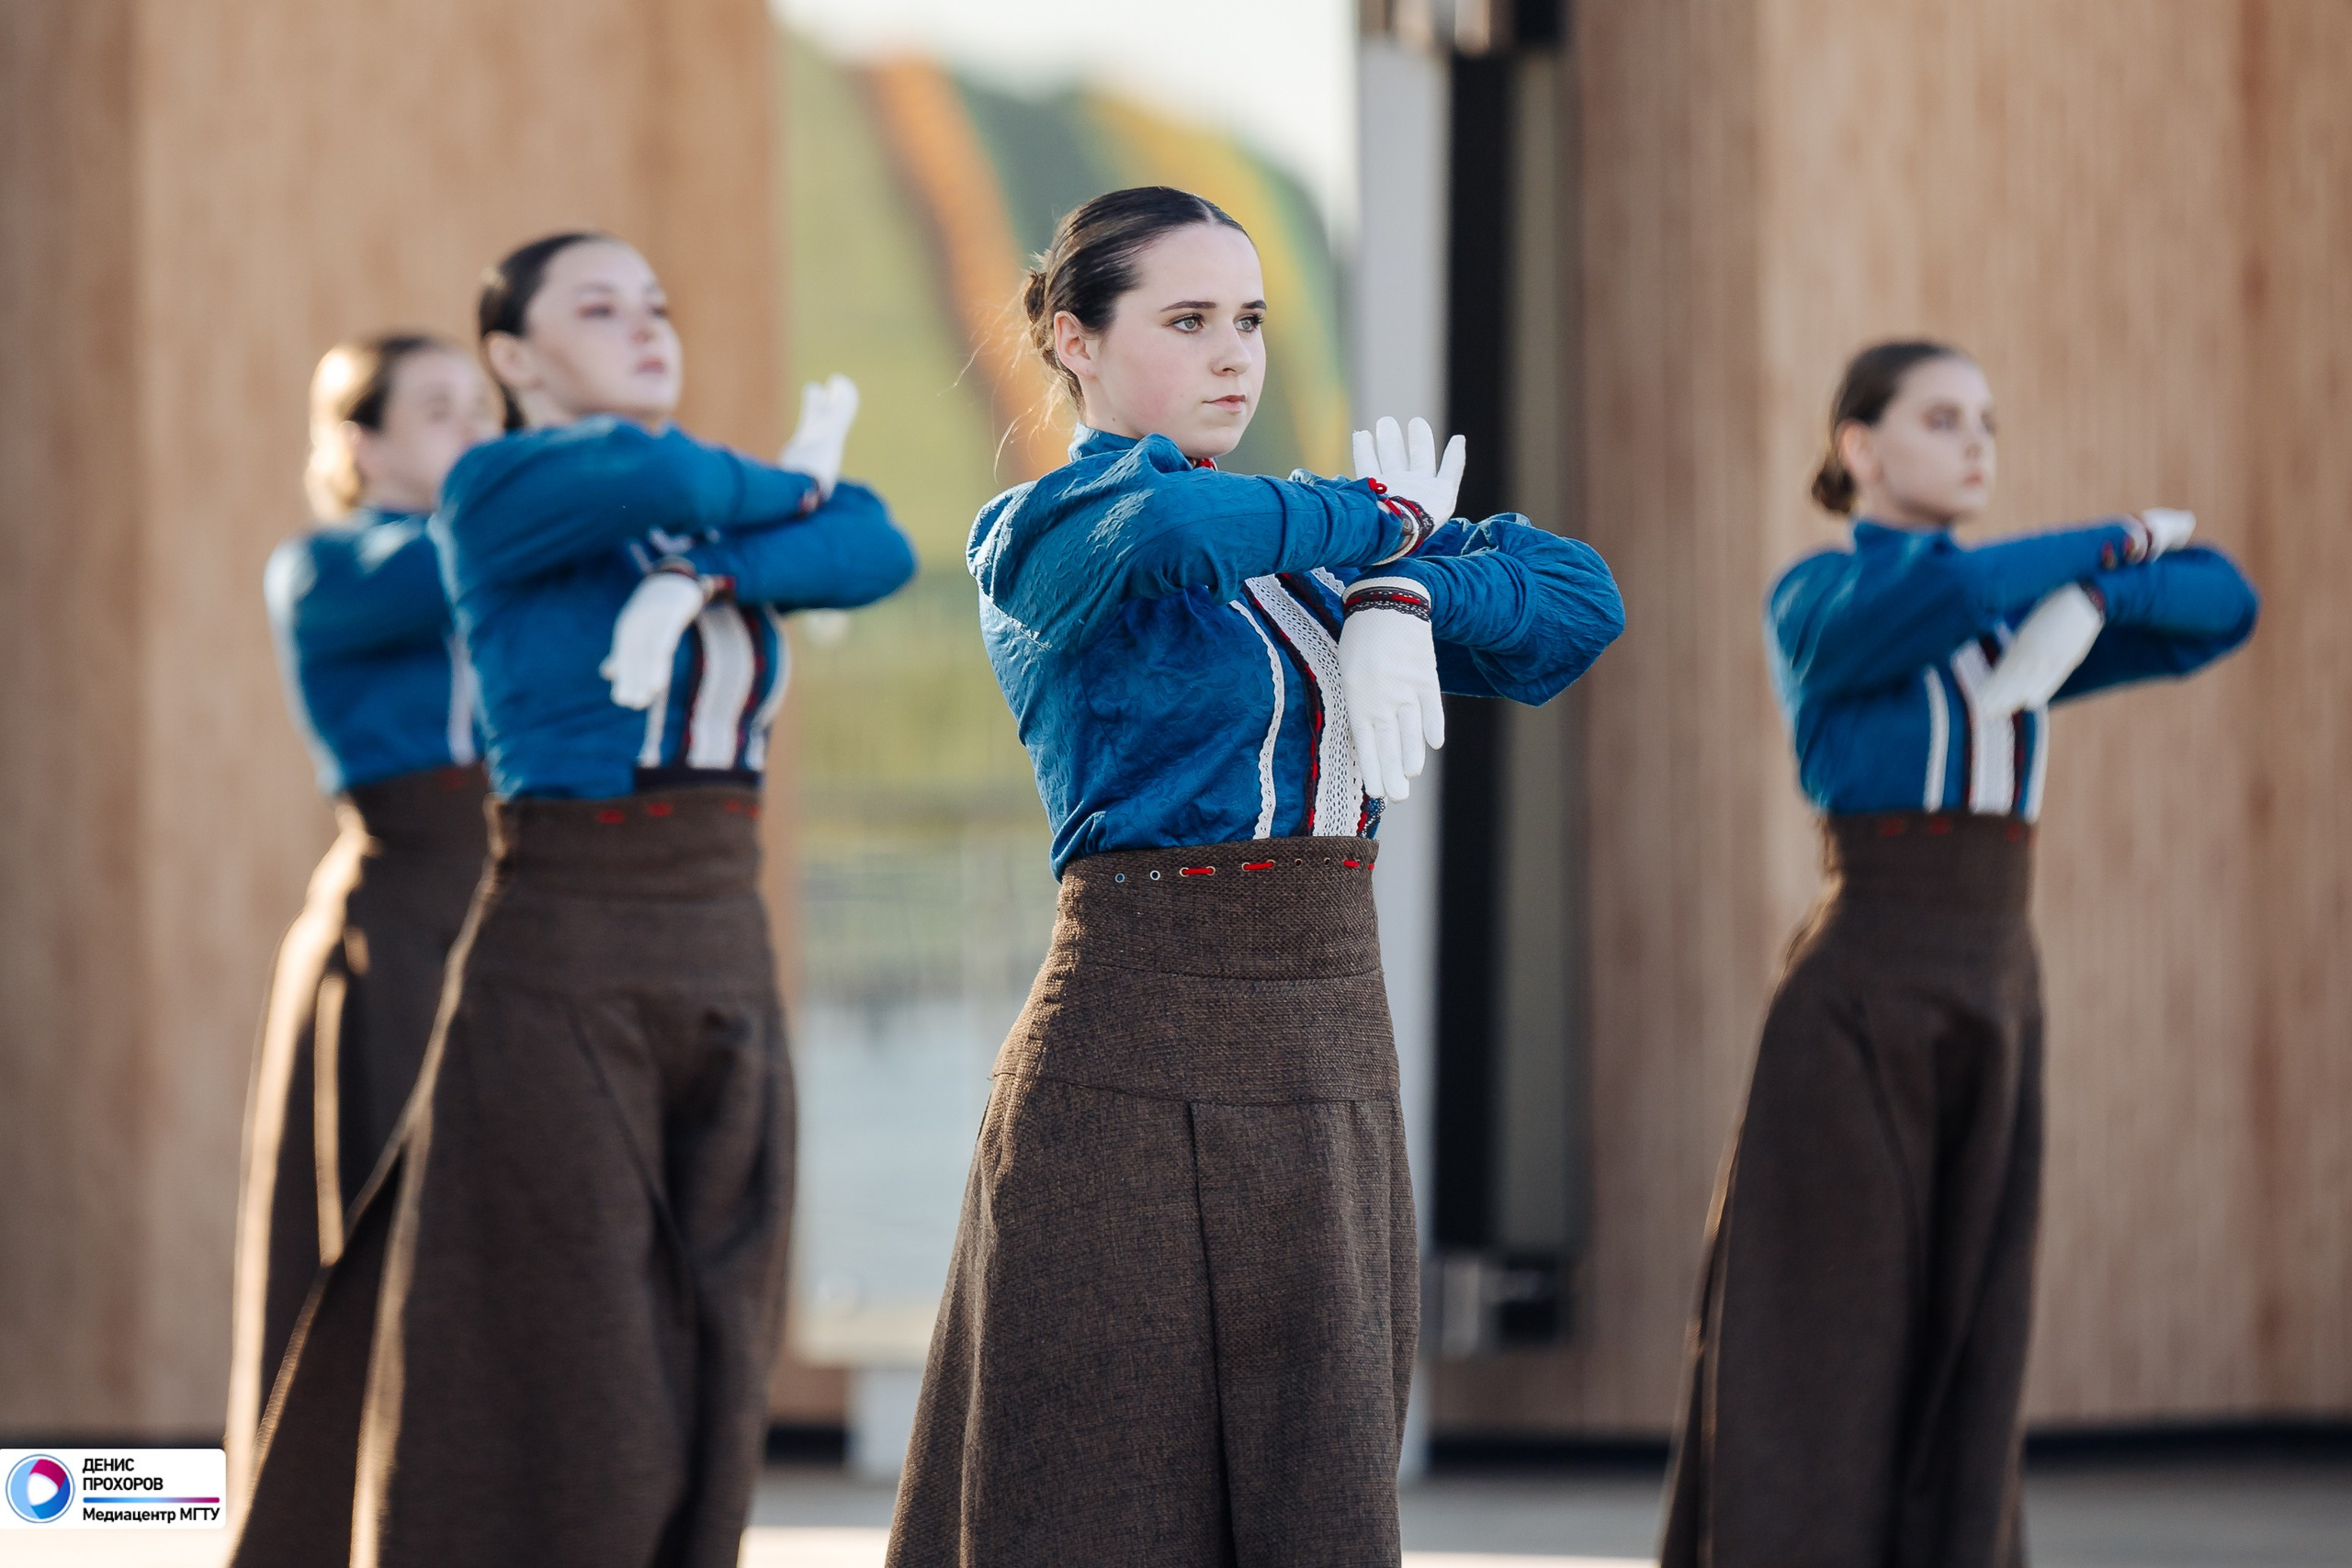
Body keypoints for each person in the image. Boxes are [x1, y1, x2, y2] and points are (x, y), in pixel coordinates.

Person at [886, 186, 1624, 1567]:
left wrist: (1408, 593)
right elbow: (1171, 538)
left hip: (1328, 1040)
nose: (1235, 355)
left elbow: (1580, 600)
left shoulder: (1316, 554)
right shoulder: (1046, 527)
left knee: (1318, 1487)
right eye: (1187, 320)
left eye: (1251, 320)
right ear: (1075, 340)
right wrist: (1378, 518)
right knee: (1096, 1490)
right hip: (1130, 1039)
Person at [231, 232, 915, 1568]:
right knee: (550, 1321)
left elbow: (873, 541)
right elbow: (664, 475)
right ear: (514, 358)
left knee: (716, 1316)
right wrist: (781, 492)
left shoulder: (643, 512)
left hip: (717, 924)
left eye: (657, 301)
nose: (647, 323)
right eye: (598, 307)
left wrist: (707, 567)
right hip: (511, 910)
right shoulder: (489, 493)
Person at [1660, 341, 2259, 1568]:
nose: (1979, 440)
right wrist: (2113, 542)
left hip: (1998, 979)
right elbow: (1930, 601)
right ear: (1860, 448)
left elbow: (2224, 605)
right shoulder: (1820, 596)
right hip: (1860, 990)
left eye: (1987, 417)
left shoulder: (2022, 610)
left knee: (1977, 1325)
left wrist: (2100, 597)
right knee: (1824, 1322)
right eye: (1943, 418)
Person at [227, 333, 500, 1493]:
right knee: (385, 1225)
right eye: (441, 411)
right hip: (396, 917)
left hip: (514, 896)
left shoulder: (502, 543)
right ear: (361, 441)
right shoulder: (322, 569)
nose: (478, 435)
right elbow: (442, 572)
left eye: (485, 410)